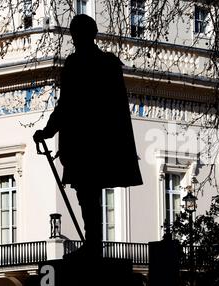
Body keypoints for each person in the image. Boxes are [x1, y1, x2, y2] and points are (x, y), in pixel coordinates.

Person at [33, 14, 143, 258]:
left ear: (82, 35)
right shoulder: (106, 64)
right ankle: (93, 242)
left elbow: (68, 105)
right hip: (98, 142)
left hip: (86, 143)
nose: (74, 38)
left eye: (76, 33)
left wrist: (48, 131)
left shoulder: (80, 65)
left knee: (88, 193)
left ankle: (93, 244)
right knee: (89, 193)